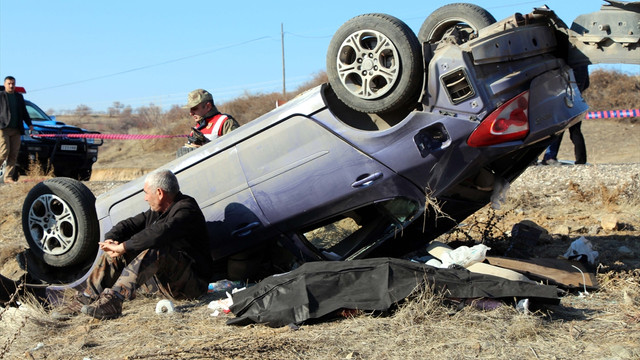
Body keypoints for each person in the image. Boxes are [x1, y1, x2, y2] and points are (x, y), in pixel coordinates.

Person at [52, 169, 214, 320]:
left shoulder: (186, 210)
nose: (145, 198)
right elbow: (129, 225)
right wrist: (112, 240)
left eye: (146, 193)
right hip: (168, 285)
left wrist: (124, 246)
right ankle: (87, 298)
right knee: (120, 250)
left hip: (193, 286)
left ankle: (114, 300)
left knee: (156, 249)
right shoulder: (157, 211)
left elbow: (159, 232)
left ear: (159, 193)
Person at [541, 66, 589, 165]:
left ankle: (550, 157)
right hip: (577, 101)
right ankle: (581, 160)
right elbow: (587, 84)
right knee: (576, 132)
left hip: (562, 100)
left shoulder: (565, 65)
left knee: (557, 130)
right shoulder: (583, 66)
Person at [0, 76, 34, 183]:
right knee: (4, 152)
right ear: (5, 84)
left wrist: (29, 124)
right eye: (9, 83)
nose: (11, 86)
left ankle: (8, 177)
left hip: (16, 129)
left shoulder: (19, 97)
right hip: (3, 128)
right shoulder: (1, 96)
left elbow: (24, 112)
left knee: (13, 154)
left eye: (13, 83)